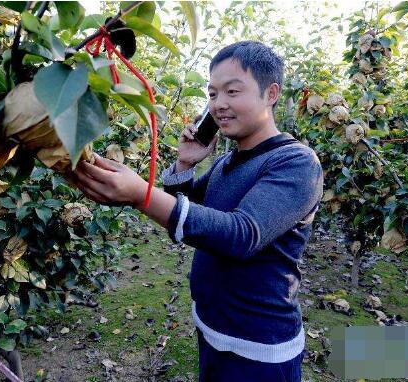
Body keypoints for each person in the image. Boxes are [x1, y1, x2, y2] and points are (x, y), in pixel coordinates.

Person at [73, 41, 323, 382]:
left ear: (271, 93)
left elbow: (241, 235)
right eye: (213, 93)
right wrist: (185, 163)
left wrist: (141, 196)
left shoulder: (296, 163)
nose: (219, 104)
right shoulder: (226, 161)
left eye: (232, 91)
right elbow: (192, 218)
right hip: (213, 328)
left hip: (259, 347)